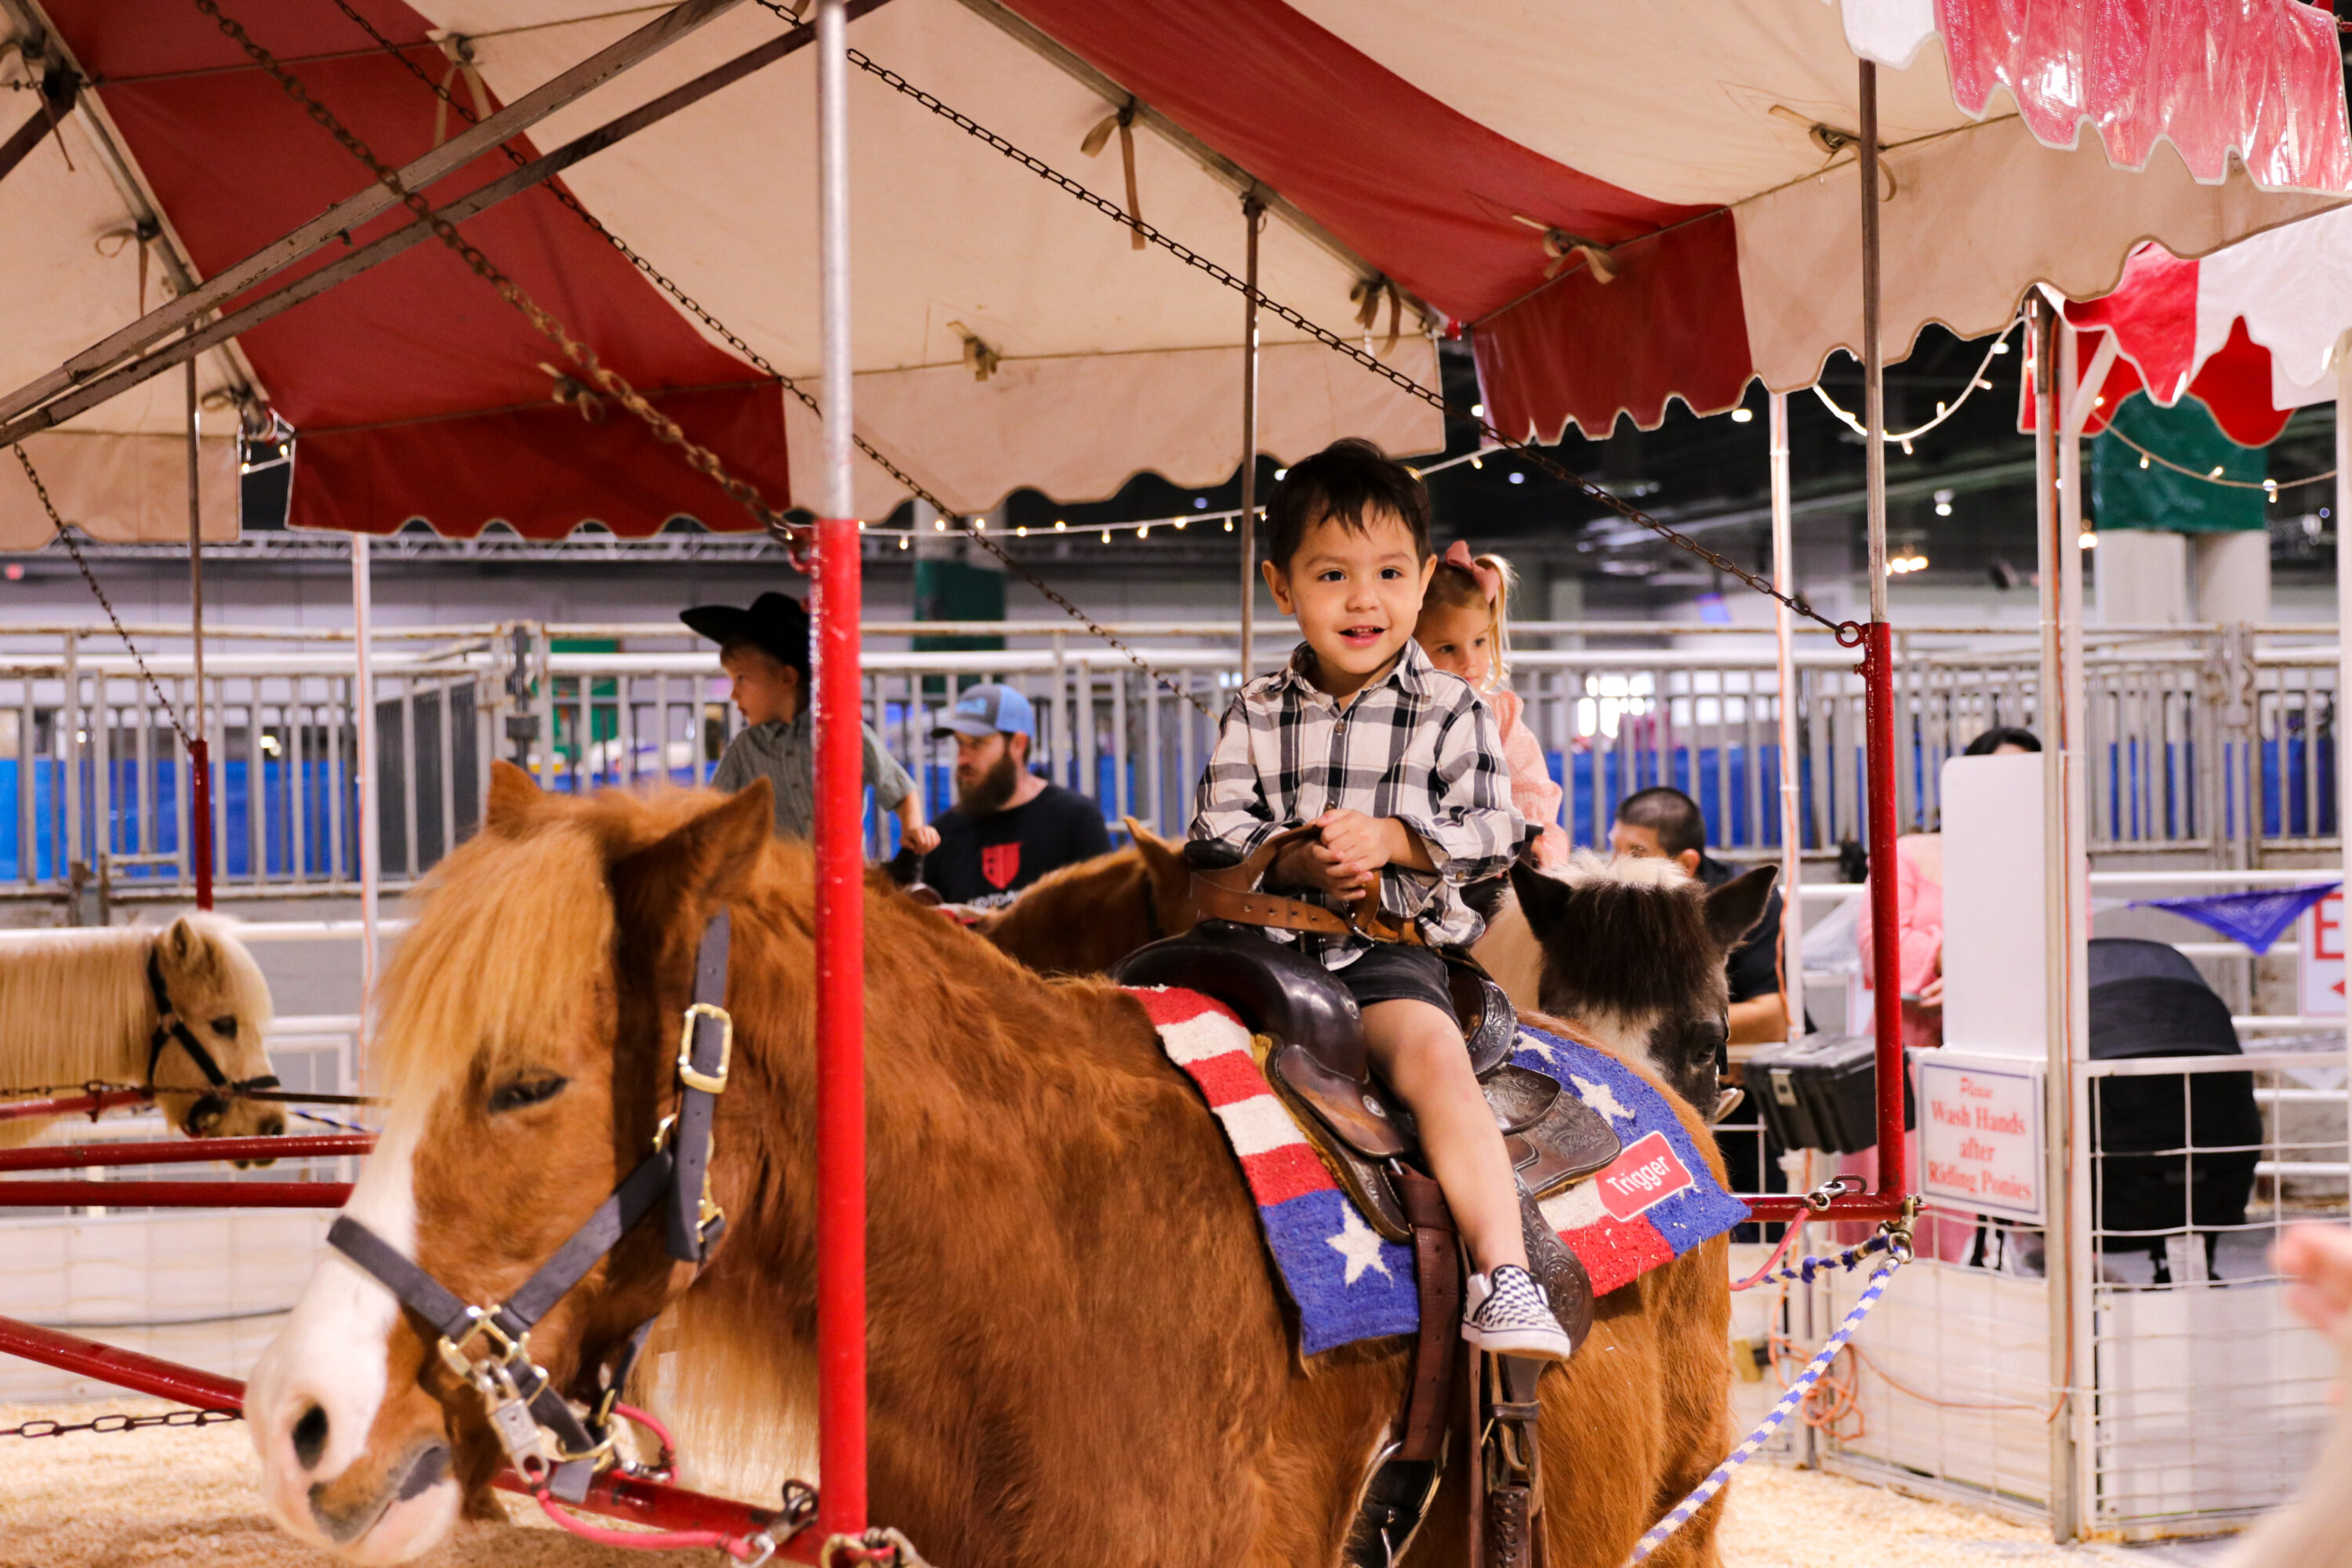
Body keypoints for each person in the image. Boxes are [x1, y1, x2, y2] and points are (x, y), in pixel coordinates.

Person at [1192, 437, 1568, 1360]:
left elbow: (1496, 830)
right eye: (1333, 574)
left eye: (1390, 573)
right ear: (1285, 589)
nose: (1366, 599)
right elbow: (1216, 831)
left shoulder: (1452, 709)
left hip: (1385, 951)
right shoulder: (1253, 709)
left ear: (1417, 580)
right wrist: (1294, 858)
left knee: (1434, 1060)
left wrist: (1397, 839)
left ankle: (1504, 1270)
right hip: (1257, 951)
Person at [682, 591, 938, 852]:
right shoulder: (745, 747)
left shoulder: (846, 734)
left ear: (786, 678)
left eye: (741, 679)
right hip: (778, 883)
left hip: (841, 880)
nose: (733, 693)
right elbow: (713, 808)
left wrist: (913, 829)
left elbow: (899, 788)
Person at [1857, 724, 2040, 1049]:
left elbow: (2068, 957)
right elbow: (1879, 951)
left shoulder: (2059, 862)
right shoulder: (1907, 854)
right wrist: (1959, 962)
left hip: (2018, 1044)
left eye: (2024, 783)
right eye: (1998, 780)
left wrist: (1976, 982)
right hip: (1910, 1047)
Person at [1414, 541, 1570, 869]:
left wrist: (1534, 841)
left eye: (1479, 642)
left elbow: (1530, 787)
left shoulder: (1500, 713)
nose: (1470, 662)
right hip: (1425, 857)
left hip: (1498, 859)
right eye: (1446, 648)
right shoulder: (1403, 714)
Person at [1609, 786, 1791, 1045]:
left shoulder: (1743, 898)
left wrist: (1642, 1025)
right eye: (1616, 849)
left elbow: (1772, 1022)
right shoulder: (1608, 906)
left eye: (1637, 853)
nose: (1618, 866)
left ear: (1685, 865)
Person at [912, 682, 1110, 908]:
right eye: (960, 743)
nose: (963, 759)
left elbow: (1102, 919)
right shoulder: (942, 837)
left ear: (1018, 745)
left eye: (978, 744)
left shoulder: (1076, 821)